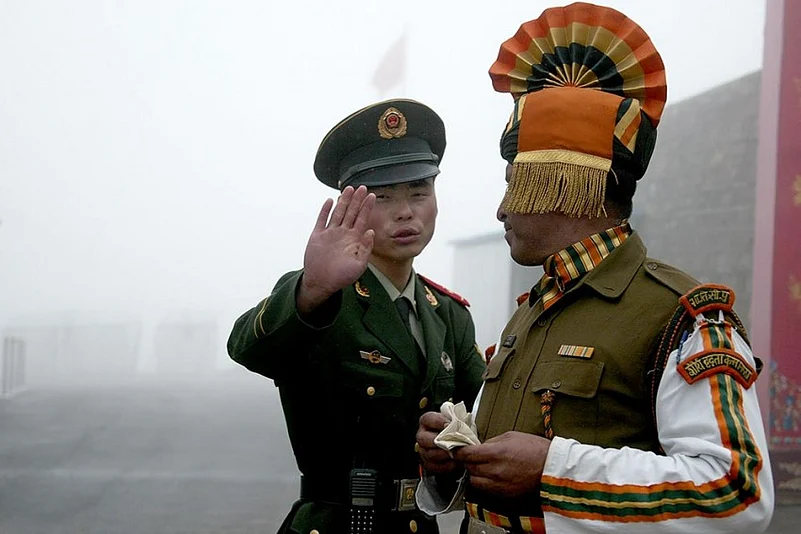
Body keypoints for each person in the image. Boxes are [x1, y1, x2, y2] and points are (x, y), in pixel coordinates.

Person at [416, 3, 775, 533]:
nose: (501, 210)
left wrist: (554, 470)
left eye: (514, 183)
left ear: (562, 182)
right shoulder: (532, 311)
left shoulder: (681, 316)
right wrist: (454, 462)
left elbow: (737, 492)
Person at [227, 99, 486, 534]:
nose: (405, 211)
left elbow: (483, 416)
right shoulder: (322, 297)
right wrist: (312, 288)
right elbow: (247, 348)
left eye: (419, 192)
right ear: (351, 207)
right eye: (382, 197)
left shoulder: (449, 314)